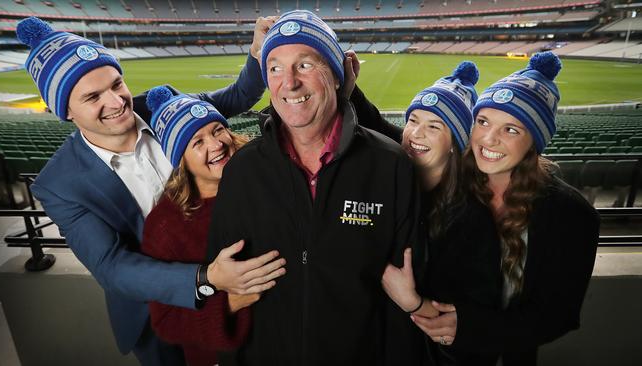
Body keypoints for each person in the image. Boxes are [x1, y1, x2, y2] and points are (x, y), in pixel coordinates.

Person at [17, 16, 286, 365]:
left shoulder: (166, 108)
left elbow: (238, 96)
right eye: (94, 96)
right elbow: (111, 266)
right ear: (64, 110)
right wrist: (206, 278)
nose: (116, 103)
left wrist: (255, 53)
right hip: (156, 314)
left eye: (117, 84)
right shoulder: (60, 185)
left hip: (238, 279)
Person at [206, 9, 423, 365]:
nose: (288, 82)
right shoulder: (241, 172)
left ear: (337, 77)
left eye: (305, 65)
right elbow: (226, 290)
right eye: (274, 67)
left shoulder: (391, 166)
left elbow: (401, 307)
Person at [388, 52, 600, 366]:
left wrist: (471, 328)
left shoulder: (572, 215)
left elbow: (558, 316)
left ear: (535, 140)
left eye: (511, 130)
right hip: (426, 352)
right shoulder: (453, 179)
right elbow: (405, 138)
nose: (488, 139)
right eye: (483, 122)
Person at [140, 86, 282, 365]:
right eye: (197, 142)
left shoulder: (266, 176)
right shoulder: (165, 224)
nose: (216, 144)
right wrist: (230, 303)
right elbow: (166, 321)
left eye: (218, 130)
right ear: (181, 161)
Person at [381, 62, 503, 366]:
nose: (415, 134)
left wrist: (412, 302)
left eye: (434, 126)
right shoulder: (387, 190)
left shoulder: (471, 220)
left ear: (454, 144)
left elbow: (467, 324)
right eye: (412, 120)